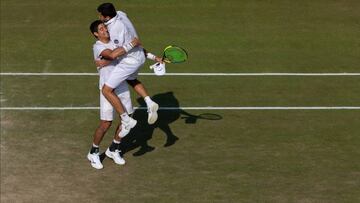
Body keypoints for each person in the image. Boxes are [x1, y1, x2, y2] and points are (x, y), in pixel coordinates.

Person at [96, 3, 162, 127]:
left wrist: (104, 62)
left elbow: (115, 54)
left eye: (100, 15)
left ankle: (126, 119)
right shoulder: (121, 14)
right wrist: (154, 57)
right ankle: (149, 102)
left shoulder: (115, 29)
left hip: (129, 62)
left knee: (106, 90)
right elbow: (135, 42)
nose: (99, 17)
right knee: (131, 79)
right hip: (140, 56)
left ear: (106, 17)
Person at [87, 20, 141, 169]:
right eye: (101, 29)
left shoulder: (117, 41)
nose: (105, 30)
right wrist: (129, 45)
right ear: (96, 34)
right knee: (106, 123)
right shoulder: (98, 46)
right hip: (107, 88)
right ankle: (93, 152)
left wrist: (155, 58)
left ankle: (113, 149)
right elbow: (111, 55)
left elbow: (135, 51)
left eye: (105, 27)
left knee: (127, 119)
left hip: (121, 85)